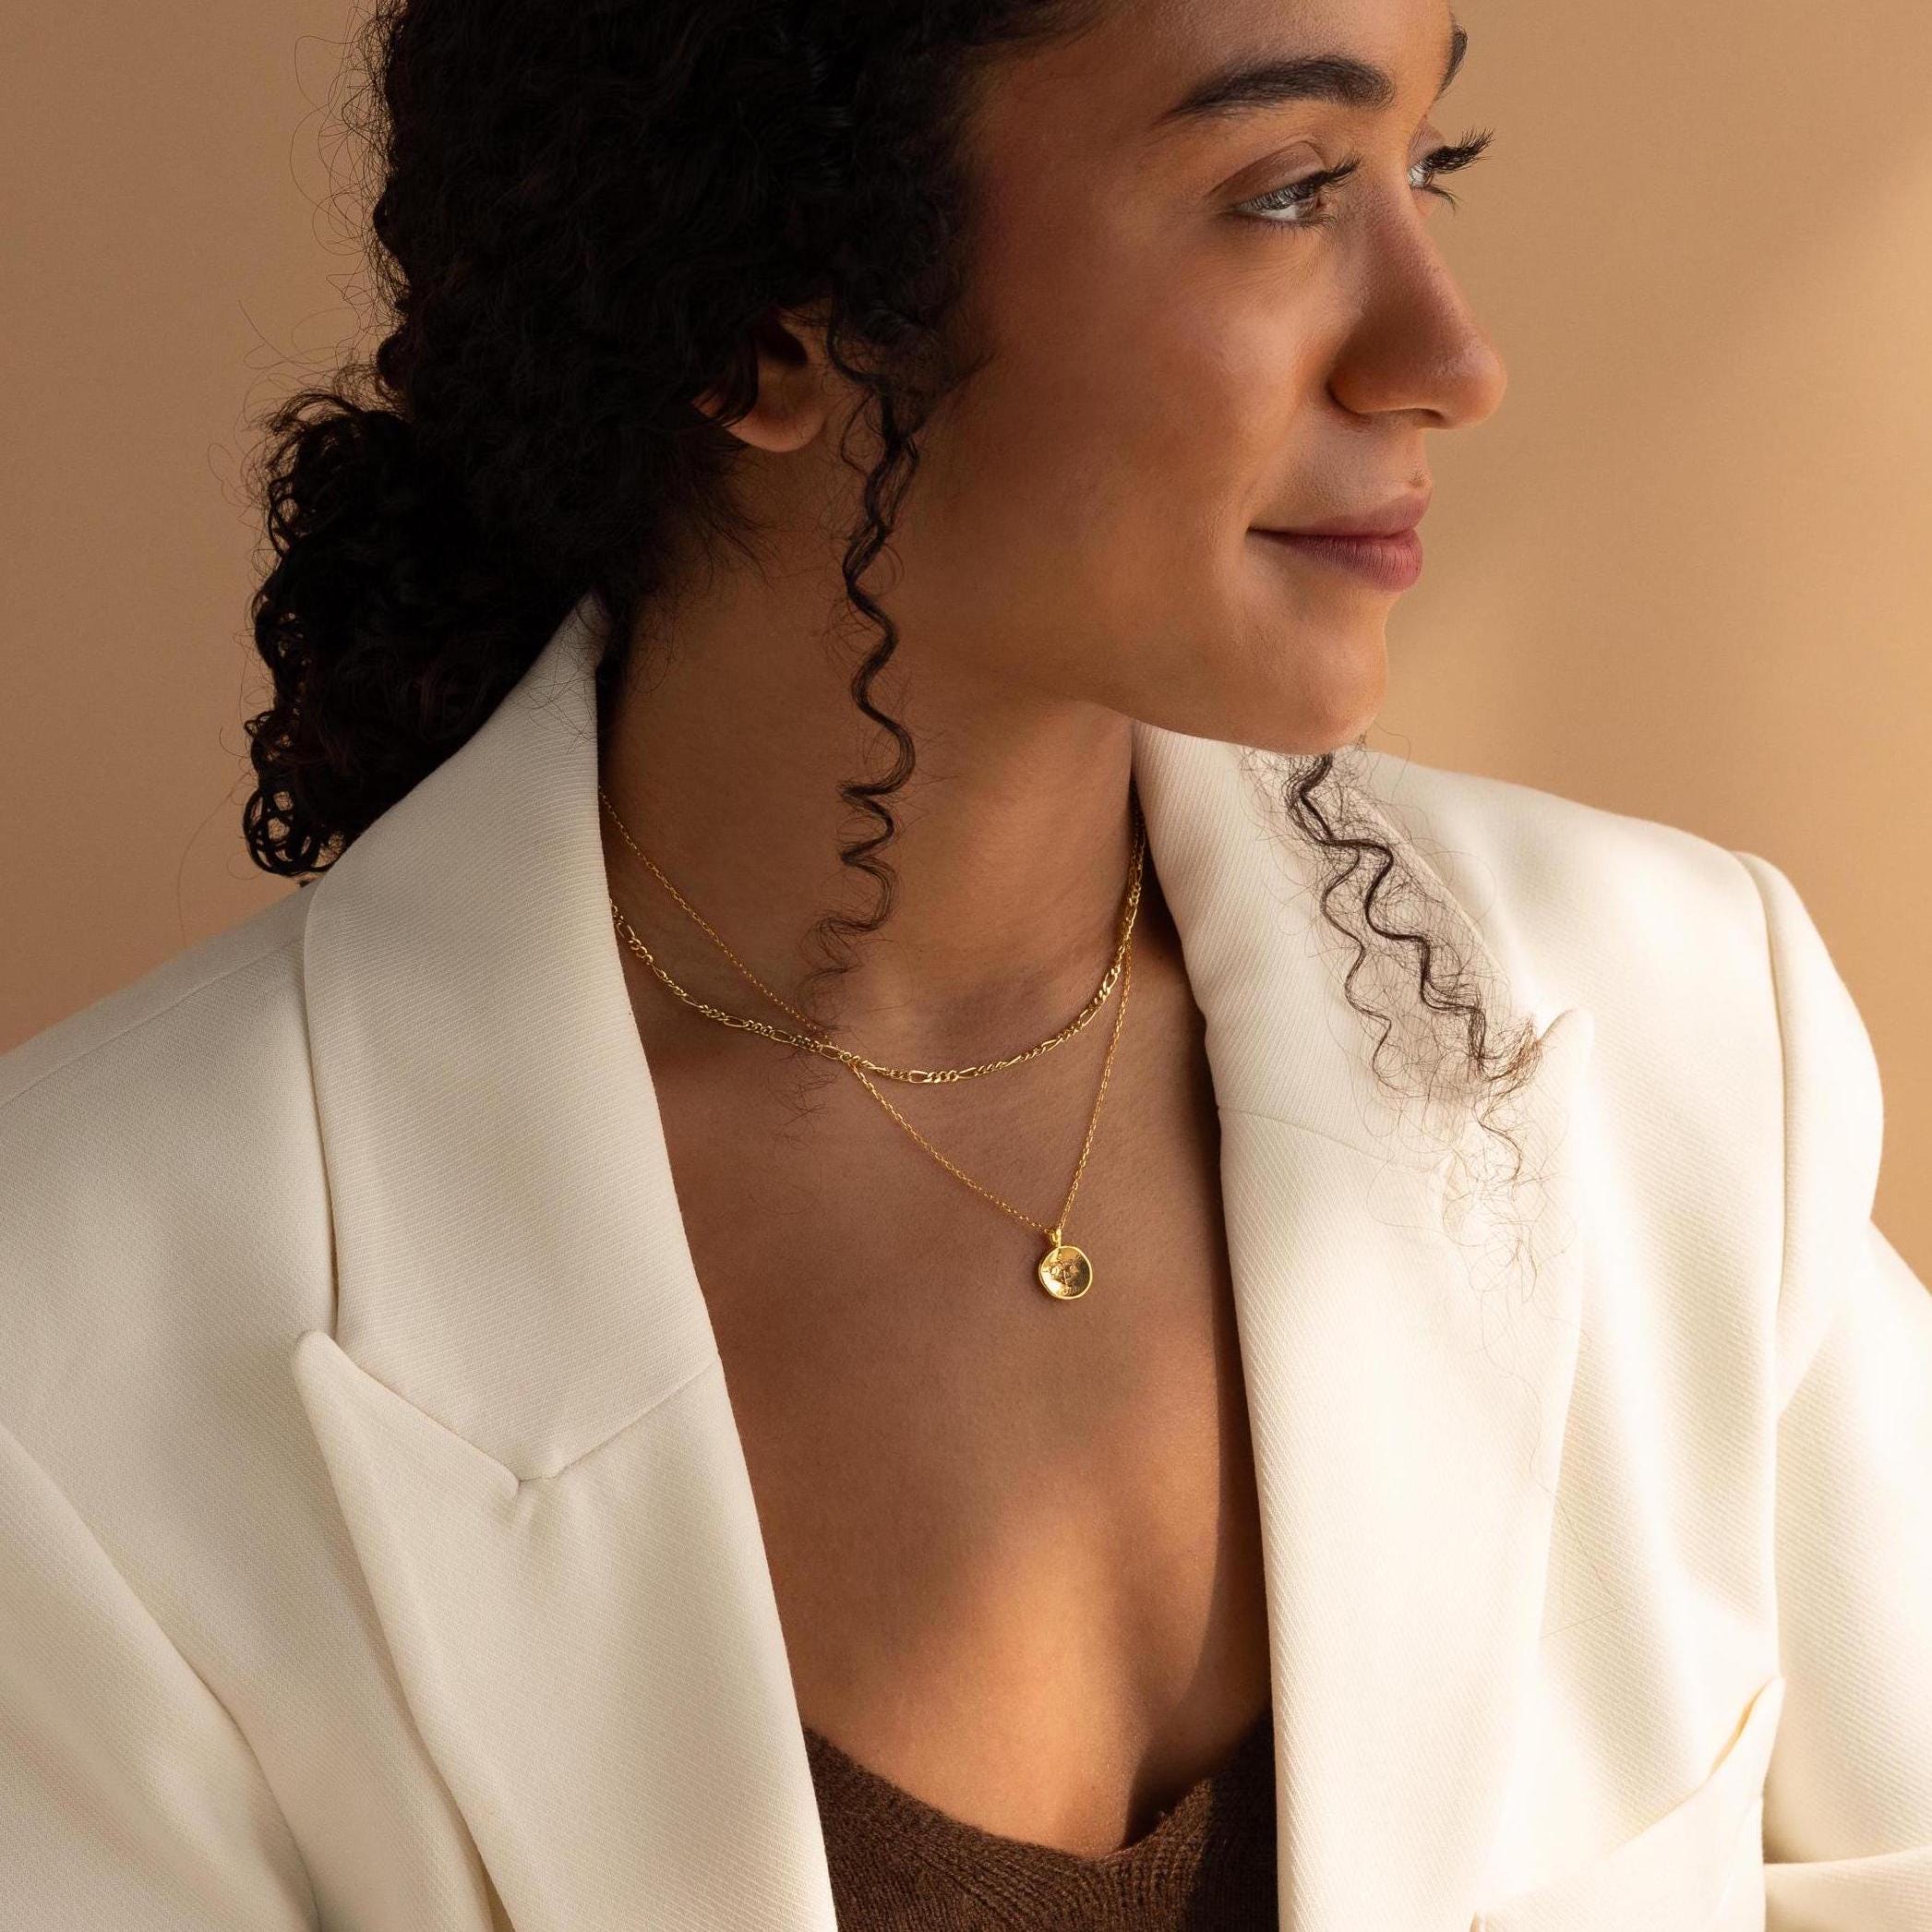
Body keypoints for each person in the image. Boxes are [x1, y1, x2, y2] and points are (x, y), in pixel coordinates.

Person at [4, 0, 1929, 1926]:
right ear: (765, 321)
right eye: (1284, 192)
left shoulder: (1685, 1036)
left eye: (1431, 170)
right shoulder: (75, 1332)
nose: (1454, 356)